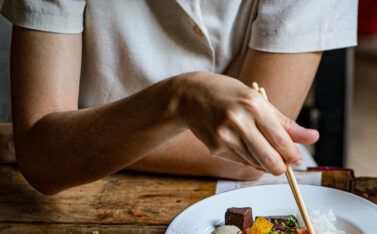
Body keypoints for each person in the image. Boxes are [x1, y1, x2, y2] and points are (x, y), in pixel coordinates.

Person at [3, 0, 356, 195]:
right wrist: (178, 99)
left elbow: (254, 153)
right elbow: (44, 160)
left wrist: (78, 144)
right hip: (90, 189)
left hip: (252, 187)